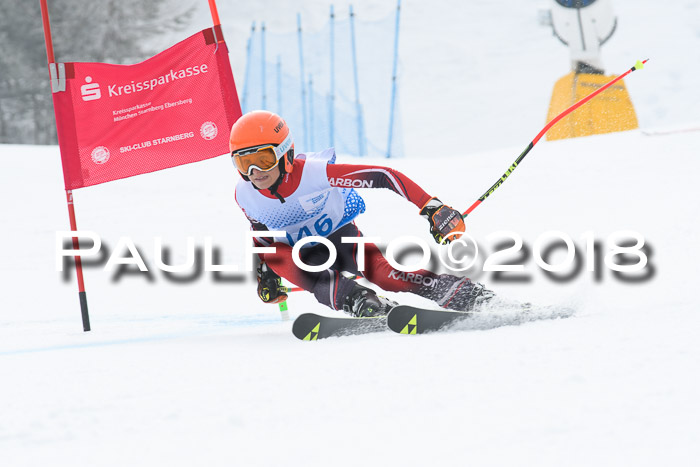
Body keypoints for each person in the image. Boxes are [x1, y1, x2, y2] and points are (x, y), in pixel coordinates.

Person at [231, 110, 494, 317]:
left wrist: (431, 207)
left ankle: (459, 292)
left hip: (342, 240)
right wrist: (265, 274)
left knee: (386, 275)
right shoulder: (245, 194)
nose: (255, 171)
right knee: (278, 258)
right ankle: (359, 300)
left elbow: (383, 176)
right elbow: (262, 237)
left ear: (283, 153)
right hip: (301, 258)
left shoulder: (314, 173)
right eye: (244, 162)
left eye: (263, 159)